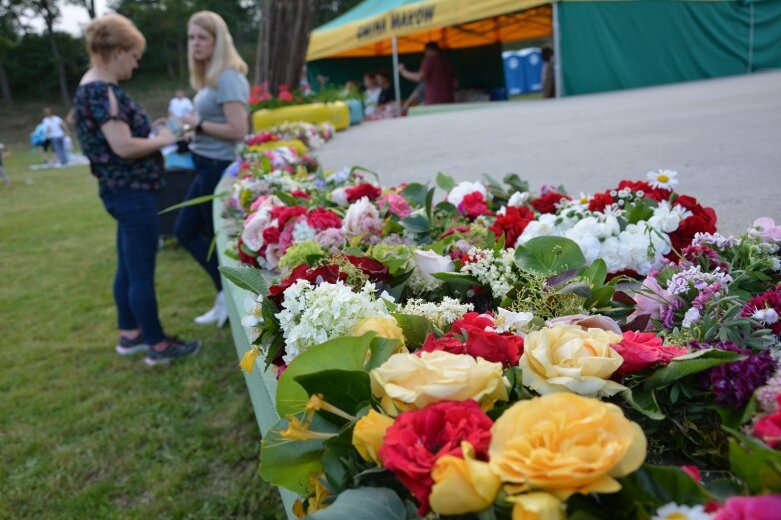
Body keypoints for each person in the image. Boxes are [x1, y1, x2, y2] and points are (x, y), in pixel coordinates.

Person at [72, 13, 201, 366]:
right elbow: (124, 147)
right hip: (131, 192)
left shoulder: (91, 88)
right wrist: (164, 139)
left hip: (119, 191)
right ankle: (157, 345)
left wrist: (151, 134)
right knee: (141, 273)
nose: (136, 63)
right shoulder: (103, 92)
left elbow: (120, 140)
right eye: (133, 56)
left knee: (128, 268)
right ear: (115, 51)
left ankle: (130, 334)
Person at [178, 11, 249, 328]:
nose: (195, 43)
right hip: (204, 164)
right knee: (195, 233)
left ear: (218, 40)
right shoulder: (212, 76)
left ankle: (229, 300)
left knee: (195, 233)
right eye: (191, 37)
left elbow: (238, 129)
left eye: (202, 37)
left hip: (218, 168)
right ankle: (224, 297)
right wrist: (195, 131)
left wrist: (198, 124)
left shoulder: (228, 76)